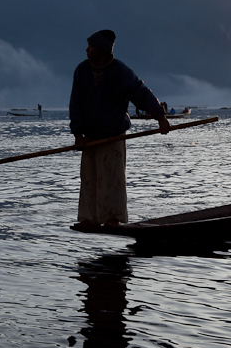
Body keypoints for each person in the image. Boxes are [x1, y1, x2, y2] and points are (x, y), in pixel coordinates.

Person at [69, 30, 170, 227]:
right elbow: (76, 104)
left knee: (112, 179)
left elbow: (141, 93)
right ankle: (89, 219)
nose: (87, 50)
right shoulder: (82, 71)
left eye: (91, 47)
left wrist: (160, 116)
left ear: (102, 50)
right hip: (89, 137)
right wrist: (78, 134)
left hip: (113, 135)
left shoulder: (120, 72)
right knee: (89, 178)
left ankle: (112, 218)